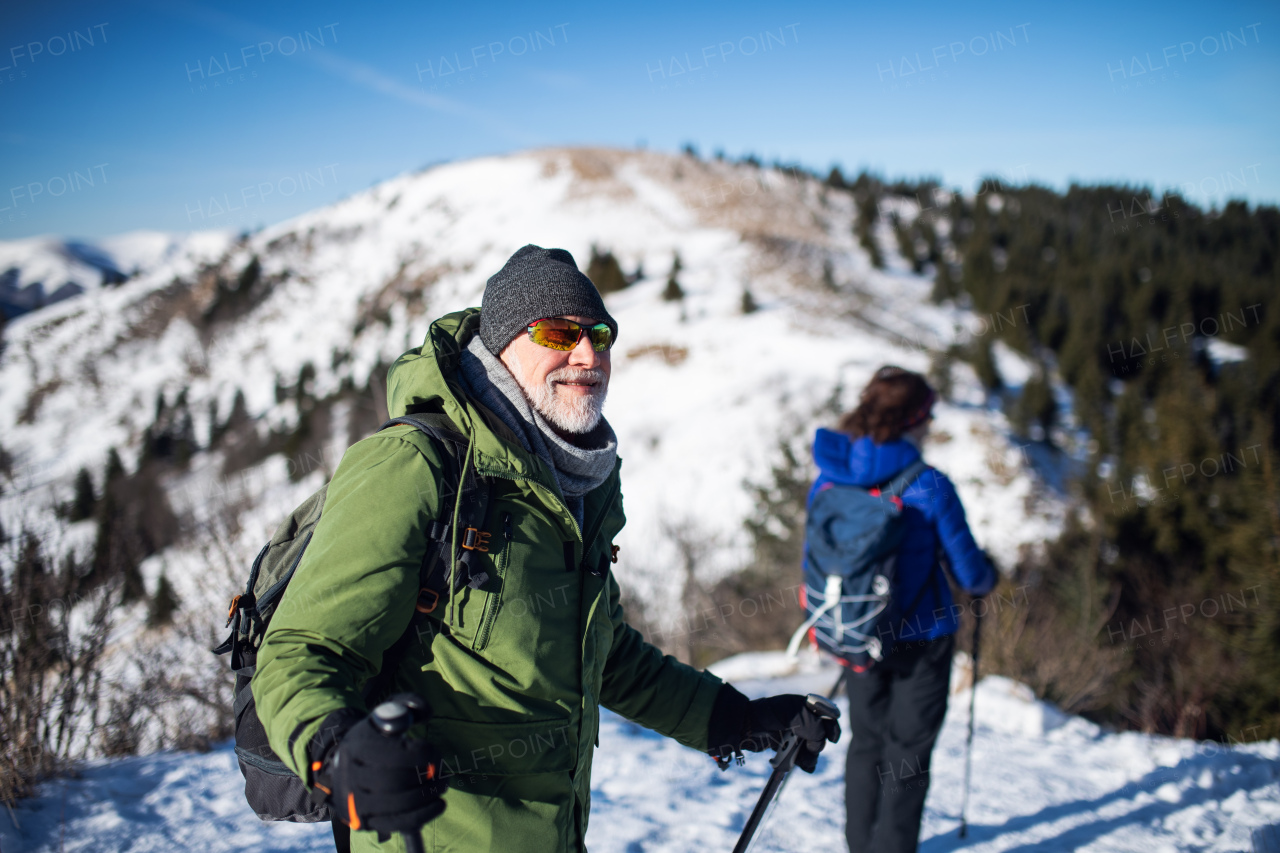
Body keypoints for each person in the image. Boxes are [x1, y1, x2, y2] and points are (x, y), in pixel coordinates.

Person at [251, 244, 840, 853]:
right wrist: (338, 751)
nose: (588, 355)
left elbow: (607, 657)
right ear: (503, 347)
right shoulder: (417, 466)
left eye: (600, 334)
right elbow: (304, 648)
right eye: (559, 333)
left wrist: (736, 718)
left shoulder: (575, 484)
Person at [807, 366, 995, 853]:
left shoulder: (828, 478)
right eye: (929, 414)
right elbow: (971, 573)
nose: (931, 424)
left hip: (856, 632)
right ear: (915, 419)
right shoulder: (929, 484)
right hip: (924, 637)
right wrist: (989, 576)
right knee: (907, 753)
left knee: (866, 744)